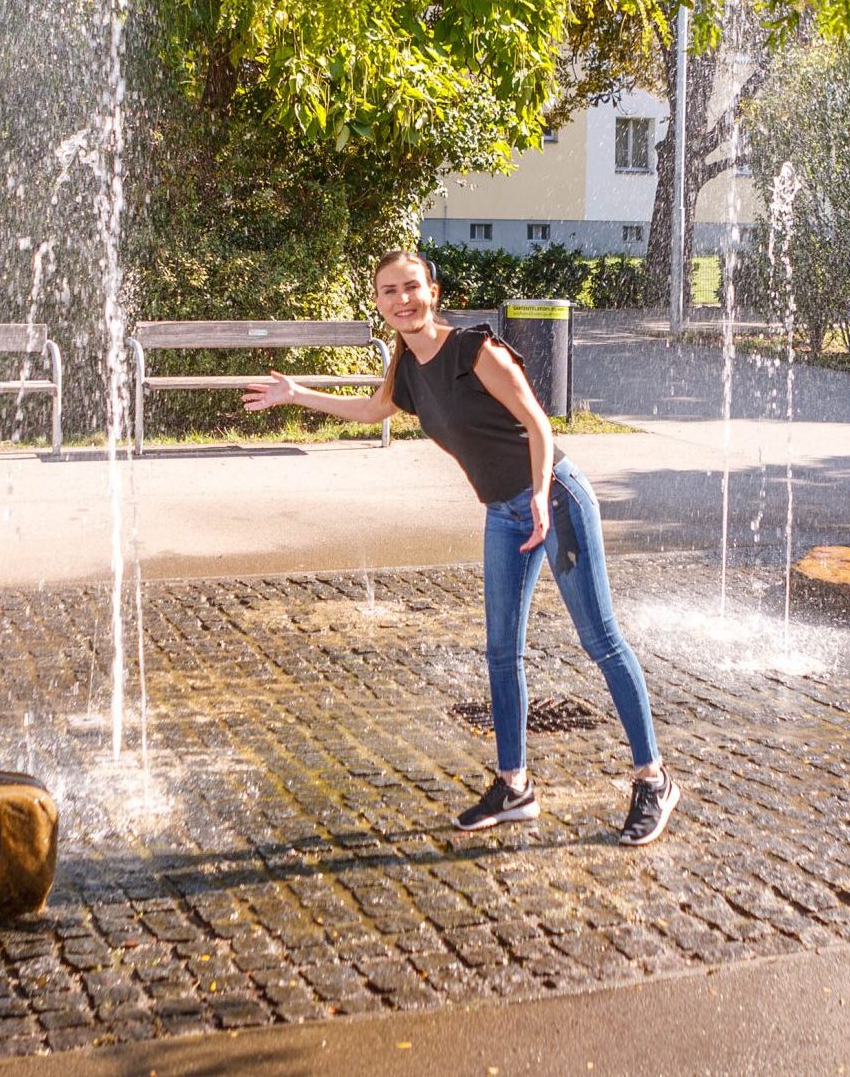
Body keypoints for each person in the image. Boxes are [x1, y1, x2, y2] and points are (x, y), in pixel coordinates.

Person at [244, 251, 681, 846]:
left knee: (600, 640)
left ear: (433, 291)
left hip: (555, 499)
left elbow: (538, 423)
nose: (403, 300)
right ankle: (514, 786)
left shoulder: (474, 350)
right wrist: (296, 393)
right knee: (501, 653)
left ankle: (653, 779)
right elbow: (372, 410)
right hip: (503, 513)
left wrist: (540, 493)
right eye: (390, 291)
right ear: (379, 302)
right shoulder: (408, 369)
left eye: (412, 288)